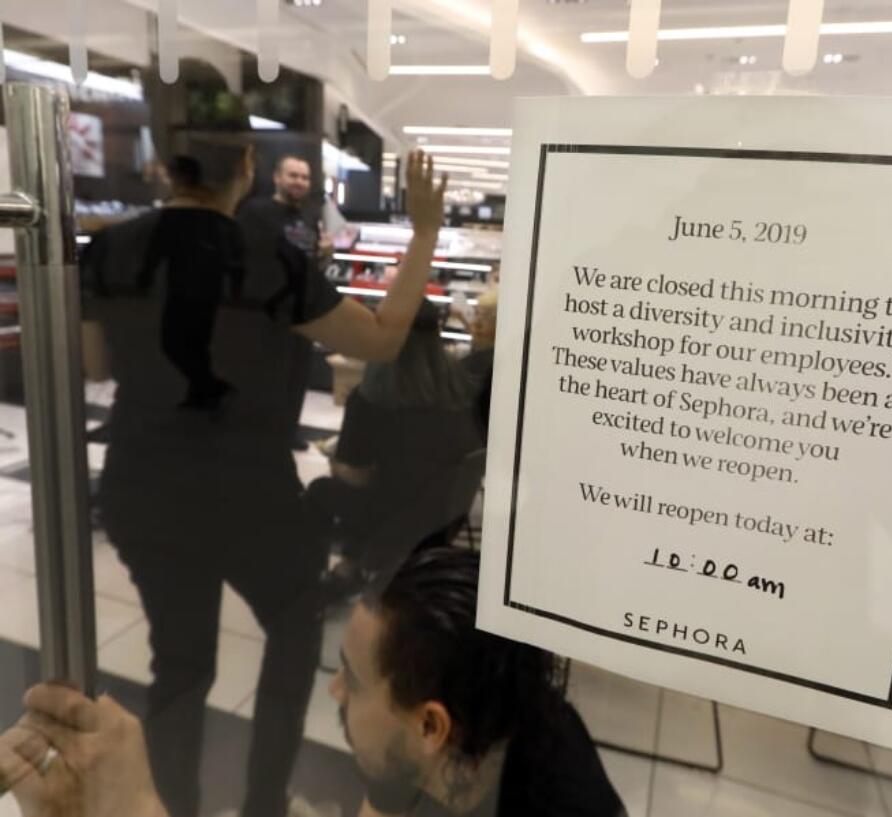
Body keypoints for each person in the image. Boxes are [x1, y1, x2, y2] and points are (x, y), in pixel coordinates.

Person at [78, 65, 449, 817]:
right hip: (252, 493)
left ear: (163, 161)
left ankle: (174, 803)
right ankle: (261, 802)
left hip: (143, 485)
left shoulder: (109, 252)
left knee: (180, 662)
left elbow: (93, 365)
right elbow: (379, 342)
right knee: (291, 624)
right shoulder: (270, 259)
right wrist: (425, 230)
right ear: (246, 166)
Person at [0, 549, 626, 817]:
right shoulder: (436, 743)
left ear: (430, 724)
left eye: (351, 681)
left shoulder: (555, 797)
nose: (335, 694)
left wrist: (136, 808)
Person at [310, 300, 484, 599]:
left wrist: (336, 460)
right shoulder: (464, 387)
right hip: (446, 517)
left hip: (391, 519)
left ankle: (317, 583)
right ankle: (354, 567)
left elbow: (354, 477)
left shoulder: (371, 400)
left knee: (322, 490)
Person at [236, 154, 334, 452]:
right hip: (266, 314)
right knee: (266, 377)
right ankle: (260, 435)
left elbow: (313, 265)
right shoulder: (256, 212)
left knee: (296, 376)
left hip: (301, 312)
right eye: (293, 175)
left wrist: (325, 254)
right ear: (277, 178)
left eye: (304, 177)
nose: (299, 182)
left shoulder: (308, 217)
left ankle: (287, 432)